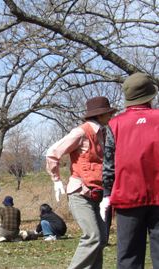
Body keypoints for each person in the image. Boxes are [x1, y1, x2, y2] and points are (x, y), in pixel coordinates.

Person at [46, 96, 116, 269]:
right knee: (93, 236)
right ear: (99, 115)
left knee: (100, 240)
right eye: (108, 113)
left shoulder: (105, 133)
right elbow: (52, 152)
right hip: (80, 194)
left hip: (97, 195)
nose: (110, 116)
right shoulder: (81, 132)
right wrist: (56, 180)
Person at [101, 72, 159, 269]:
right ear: (151, 96)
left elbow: (109, 164)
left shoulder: (114, 125)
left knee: (128, 258)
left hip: (127, 198)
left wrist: (107, 193)